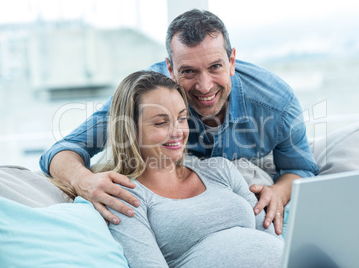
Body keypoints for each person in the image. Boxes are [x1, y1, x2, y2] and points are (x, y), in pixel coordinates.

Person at [40, 9, 318, 235]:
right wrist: (84, 180)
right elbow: (62, 150)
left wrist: (279, 192)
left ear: (232, 61)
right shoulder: (145, 95)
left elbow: (301, 168)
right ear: (170, 68)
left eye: (215, 67)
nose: (204, 85)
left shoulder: (276, 102)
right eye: (188, 71)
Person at [54, 70, 284, 267]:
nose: (178, 132)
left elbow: (273, 237)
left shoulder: (220, 170)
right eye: (161, 122)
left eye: (182, 119)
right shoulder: (124, 194)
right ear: (130, 130)